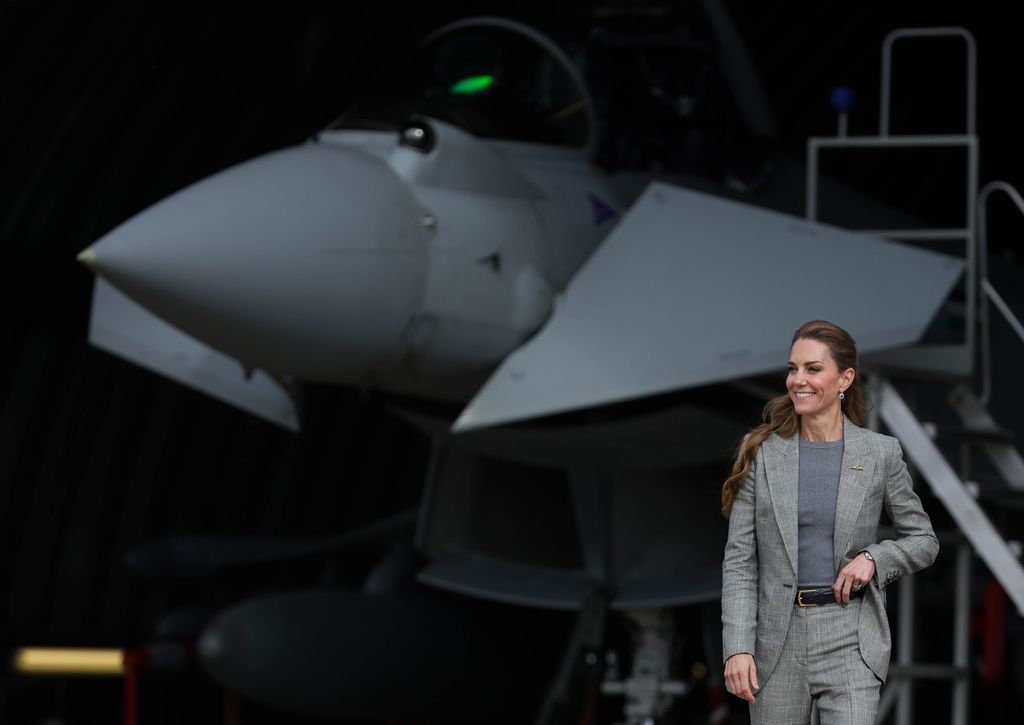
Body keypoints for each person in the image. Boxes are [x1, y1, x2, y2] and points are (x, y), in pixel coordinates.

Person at [720, 320, 938, 725]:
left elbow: (923, 540)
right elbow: (740, 562)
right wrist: (737, 646)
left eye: (813, 369)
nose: (798, 380)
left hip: (850, 636)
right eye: (792, 368)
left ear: (846, 378)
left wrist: (874, 558)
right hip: (776, 641)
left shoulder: (880, 453)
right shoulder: (763, 455)